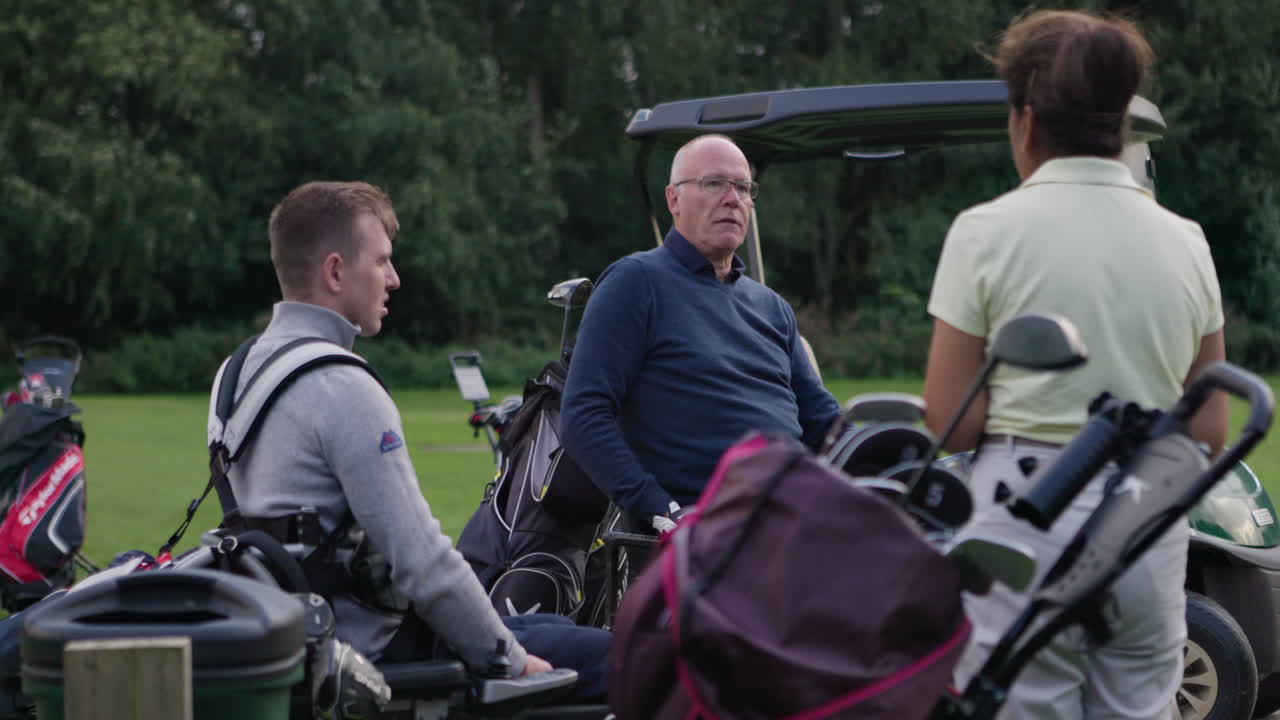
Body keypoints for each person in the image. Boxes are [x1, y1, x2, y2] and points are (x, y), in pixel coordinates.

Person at [923, 10, 1226, 720]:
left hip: (1023, 519)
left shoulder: (984, 232)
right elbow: (1210, 427)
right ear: (1120, 124)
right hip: (1147, 522)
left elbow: (951, 423)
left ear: (1027, 122)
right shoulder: (1186, 239)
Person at [220, 181, 608, 698]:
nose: (394, 279)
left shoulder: (238, 372)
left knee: (556, 629)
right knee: (625, 658)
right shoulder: (344, 387)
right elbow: (422, 562)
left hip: (295, 637)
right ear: (335, 271)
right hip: (377, 651)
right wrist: (512, 661)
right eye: (382, 261)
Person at [560, 134, 842, 534]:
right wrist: (661, 509)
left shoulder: (771, 307)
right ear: (673, 199)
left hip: (795, 514)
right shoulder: (636, 283)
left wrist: (889, 451)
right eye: (714, 183)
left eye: (743, 187)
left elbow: (822, 421)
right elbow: (583, 416)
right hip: (708, 533)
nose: (732, 198)